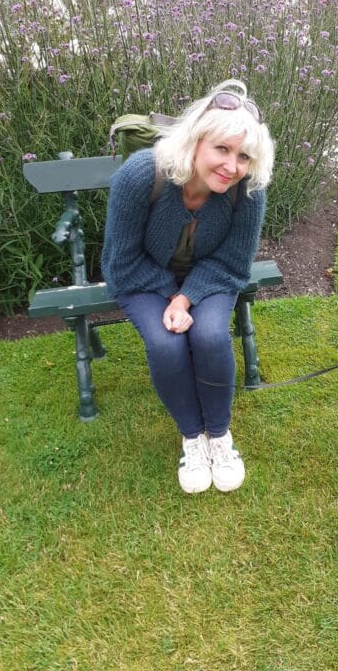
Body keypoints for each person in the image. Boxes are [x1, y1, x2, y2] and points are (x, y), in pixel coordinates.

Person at [102, 80, 274, 494]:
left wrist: (185, 297)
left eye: (244, 156)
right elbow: (121, 261)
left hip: (211, 276)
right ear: (196, 139)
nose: (232, 166)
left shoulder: (248, 190)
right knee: (166, 344)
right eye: (222, 149)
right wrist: (167, 293)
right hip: (140, 275)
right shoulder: (142, 174)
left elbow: (233, 262)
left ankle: (219, 436)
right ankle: (192, 437)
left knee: (211, 335)